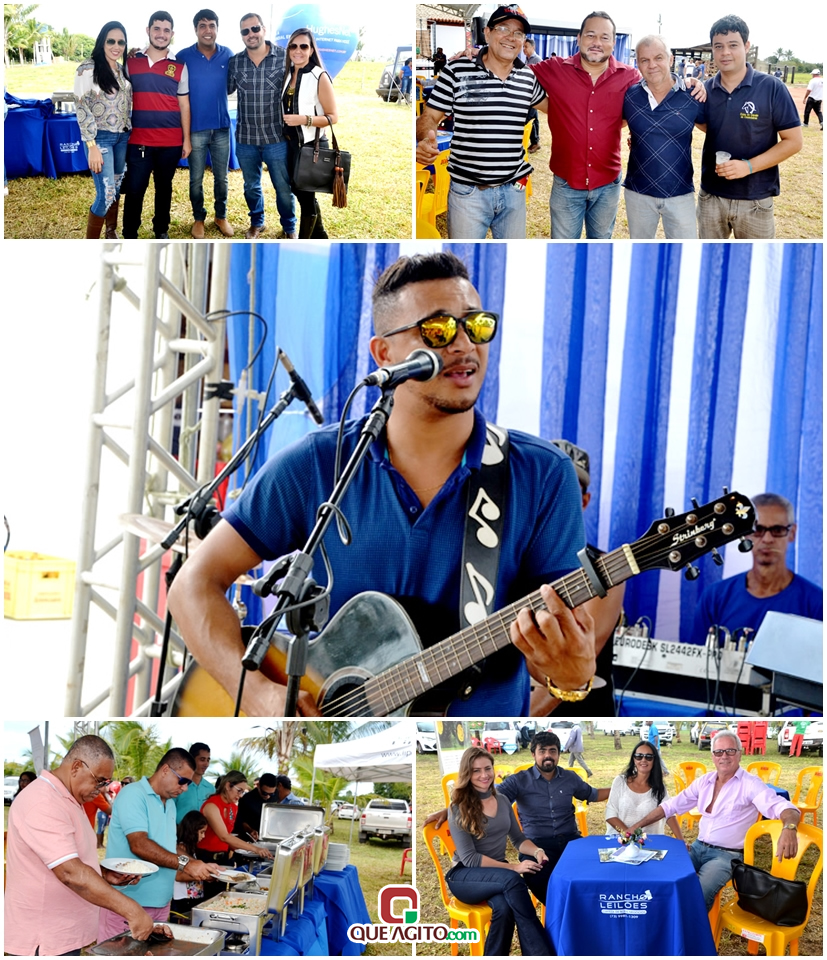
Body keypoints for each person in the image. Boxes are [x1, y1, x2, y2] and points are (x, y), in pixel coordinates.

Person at [167, 251, 600, 717]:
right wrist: (253, 693)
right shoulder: (319, 463)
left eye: (476, 326)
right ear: (384, 354)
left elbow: (562, 654)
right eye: (437, 330)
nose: (463, 346)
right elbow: (192, 585)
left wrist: (571, 677)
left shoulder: (542, 475)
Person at [531, 12, 706, 239]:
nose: (597, 43)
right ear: (578, 38)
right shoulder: (554, 68)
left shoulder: (630, 77)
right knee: (564, 249)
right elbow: (513, 71)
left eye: (605, 37)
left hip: (607, 184)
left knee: (602, 247)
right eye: (590, 35)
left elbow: (656, 83)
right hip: (566, 182)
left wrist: (690, 82)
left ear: (614, 42)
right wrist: (479, 55)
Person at [4, 736, 160, 956]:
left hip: (61, 935)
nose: (102, 789)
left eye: (106, 783)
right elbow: (69, 871)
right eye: (100, 780)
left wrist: (103, 873)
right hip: (43, 940)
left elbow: (69, 859)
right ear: (77, 767)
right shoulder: (43, 800)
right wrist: (132, 910)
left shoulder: (69, 798)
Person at [427, 730, 610, 905]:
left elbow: (593, 794)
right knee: (537, 876)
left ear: (559, 754)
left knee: (593, 873)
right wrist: (448, 810)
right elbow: (482, 797)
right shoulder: (519, 780)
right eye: (542, 751)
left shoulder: (570, 778)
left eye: (552, 751)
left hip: (571, 840)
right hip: (537, 844)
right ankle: (562, 915)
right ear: (533, 754)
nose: (548, 755)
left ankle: (585, 910)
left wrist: (620, 788)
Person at [415, 5, 548, 239]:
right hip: (468, 192)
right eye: (503, 28)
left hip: (514, 190)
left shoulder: (528, 77)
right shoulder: (457, 70)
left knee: (510, 263)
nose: (511, 37)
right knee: (463, 264)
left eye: (518, 33)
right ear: (487, 33)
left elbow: (560, 111)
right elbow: (430, 117)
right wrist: (426, 138)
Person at [630, 730, 801, 909]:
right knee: (662, 876)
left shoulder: (750, 784)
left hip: (727, 855)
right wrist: (638, 825)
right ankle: (667, 922)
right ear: (712, 756)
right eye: (719, 752)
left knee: (697, 894)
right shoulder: (705, 781)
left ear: (740, 754)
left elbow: (784, 808)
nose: (724, 756)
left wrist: (789, 828)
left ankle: (690, 935)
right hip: (697, 848)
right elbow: (670, 806)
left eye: (730, 751)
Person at [530, 438, 625, 716]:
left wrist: (515, 723)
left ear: (584, 500)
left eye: (569, 487)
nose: (557, 494)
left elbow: (572, 662)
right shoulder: (509, 559)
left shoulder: (607, 568)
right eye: (548, 482)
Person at [697, 15, 802, 239]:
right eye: (718, 46)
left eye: (733, 45)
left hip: (755, 199)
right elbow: (706, 125)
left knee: (758, 267)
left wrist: (749, 166)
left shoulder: (772, 87)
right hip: (711, 197)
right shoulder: (705, 90)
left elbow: (794, 142)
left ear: (746, 46)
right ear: (713, 51)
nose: (725, 52)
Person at [97, 747, 218, 941]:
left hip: (161, 904)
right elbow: (139, 844)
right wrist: (186, 864)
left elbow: (168, 849)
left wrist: (197, 864)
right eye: (183, 781)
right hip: (128, 905)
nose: (185, 788)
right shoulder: (133, 795)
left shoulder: (169, 802)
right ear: (165, 770)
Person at [444, 746, 553, 956]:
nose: (484, 775)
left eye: (487, 768)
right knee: (514, 879)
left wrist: (537, 850)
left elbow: (519, 839)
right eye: (476, 771)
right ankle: (541, 953)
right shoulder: (457, 807)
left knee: (504, 909)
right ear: (467, 774)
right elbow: (470, 858)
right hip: (464, 876)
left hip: (497, 876)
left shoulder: (502, 800)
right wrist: (514, 867)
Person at [692, 493, 822, 643]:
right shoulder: (715, 597)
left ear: (792, 533)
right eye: (758, 529)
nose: (767, 539)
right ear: (745, 534)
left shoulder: (817, 604)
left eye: (778, 530)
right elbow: (694, 662)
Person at [622, 35, 705, 238]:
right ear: (638, 64)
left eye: (658, 57)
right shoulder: (630, 96)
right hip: (638, 192)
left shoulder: (693, 94)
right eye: (645, 60)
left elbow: (715, 130)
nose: (652, 65)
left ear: (671, 59)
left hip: (680, 192)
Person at [121, 11, 190, 239]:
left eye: (166, 30)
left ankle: (161, 230)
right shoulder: (131, 63)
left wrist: (186, 140)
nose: (161, 34)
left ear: (172, 34)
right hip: (139, 141)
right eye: (157, 29)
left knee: (164, 189)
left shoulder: (179, 66)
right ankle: (130, 233)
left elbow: (184, 104)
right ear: (148, 30)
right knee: (134, 190)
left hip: (170, 142)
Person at [228, 12, 297, 240]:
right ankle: (257, 223)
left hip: (276, 137)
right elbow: (224, 89)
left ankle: (289, 227)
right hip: (246, 138)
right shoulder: (235, 62)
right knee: (251, 186)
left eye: (255, 29)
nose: (251, 34)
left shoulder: (283, 57)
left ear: (264, 29)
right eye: (245, 31)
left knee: (283, 187)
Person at [176, 9, 234, 239]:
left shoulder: (228, 54)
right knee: (195, 178)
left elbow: (233, 84)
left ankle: (221, 216)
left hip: (221, 128)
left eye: (211, 25)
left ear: (217, 29)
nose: (207, 30)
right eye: (202, 25)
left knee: (222, 177)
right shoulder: (183, 56)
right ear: (195, 30)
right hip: (195, 129)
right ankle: (198, 218)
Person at [73, 21, 132, 239]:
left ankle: (111, 232)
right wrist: (92, 146)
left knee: (115, 188)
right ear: (102, 42)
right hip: (101, 139)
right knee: (106, 194)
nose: (116, 46)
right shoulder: (87, 69)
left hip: (122, 138)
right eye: (111, 41)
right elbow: (81, 106)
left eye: (121, 42)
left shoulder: (121, 68)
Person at [281, 27, 338, 238]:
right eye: (293, 46)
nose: (298, 50)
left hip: (310, 146)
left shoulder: (319, 76)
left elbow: (333, 116)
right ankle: (320, 235)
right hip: (289, 144)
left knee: (305, 196)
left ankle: (308, 237)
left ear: (312, 49)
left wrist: (304, 119)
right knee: (298, 191)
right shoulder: (289, 74)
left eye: (303, 46)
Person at [605, 739, 683, 838]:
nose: (643, 760)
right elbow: (610, 814)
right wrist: (629, 835)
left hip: (648, 843)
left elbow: (669, 814)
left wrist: (682, 841)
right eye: (639, 756)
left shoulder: (659, 787)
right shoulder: (620, 781)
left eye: (649, 757)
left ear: (654, 761)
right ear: (634, 759)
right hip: (620, 840)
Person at [196, 770, 273, 865]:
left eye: (242, 792)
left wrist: (247, 848)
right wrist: (255, 849)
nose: (240, 796)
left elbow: (229, 837)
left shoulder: (233, 807)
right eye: (239, 791)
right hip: (205, 857)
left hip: (224, 858)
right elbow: (224, 836)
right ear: (228, 786)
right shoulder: (212, 805)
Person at [170, 811, 209, 916]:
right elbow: (179, 876)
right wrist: (202, 876)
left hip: (192, 897)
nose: (204, 836)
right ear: (193, 830)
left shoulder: (191, 849)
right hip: (184, 899)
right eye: (201, 832)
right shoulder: (182, 848)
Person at [175, 741, 215, 823]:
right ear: (191, 759)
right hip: (179, 833)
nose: (206, 764)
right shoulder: (178, 785)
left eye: (208, 760)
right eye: (202, 759)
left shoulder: (211, 789)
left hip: (204, 835)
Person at [235, 772, 277, 837]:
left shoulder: (277, 794)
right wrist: (250, 830)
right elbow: (241, 820)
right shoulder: (246, 799)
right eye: (265, 793)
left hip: (272, 835)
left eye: (271, 794)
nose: (268, 796)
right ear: (258, 785)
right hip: (251, 837)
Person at [522, 39, 542, 154]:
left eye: (526, 47)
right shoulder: (528, 59)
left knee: (531, 118)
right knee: (533, 118)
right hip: (529, 94)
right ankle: (535, 141)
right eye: (523, 47)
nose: (524, 49)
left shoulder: (537, 60)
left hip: (535, 94)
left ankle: (535, 142)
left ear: (533, 47)